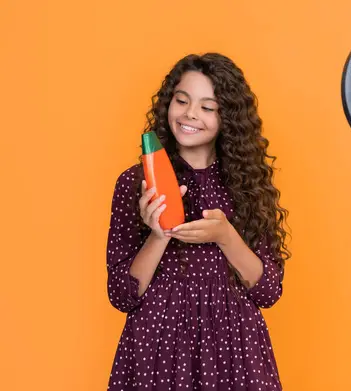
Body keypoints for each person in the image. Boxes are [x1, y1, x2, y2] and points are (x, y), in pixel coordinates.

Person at [105, 52, 291, 390]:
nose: (190, 114)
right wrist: (158, 234)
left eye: (207, 107)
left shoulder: (247, 184)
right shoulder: (135, 183)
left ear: (229, 118)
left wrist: (226, 237)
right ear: (168, 104)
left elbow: (268, 291)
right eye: (182, 100)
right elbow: (121, 295)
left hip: (233, 348)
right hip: (156, 345)